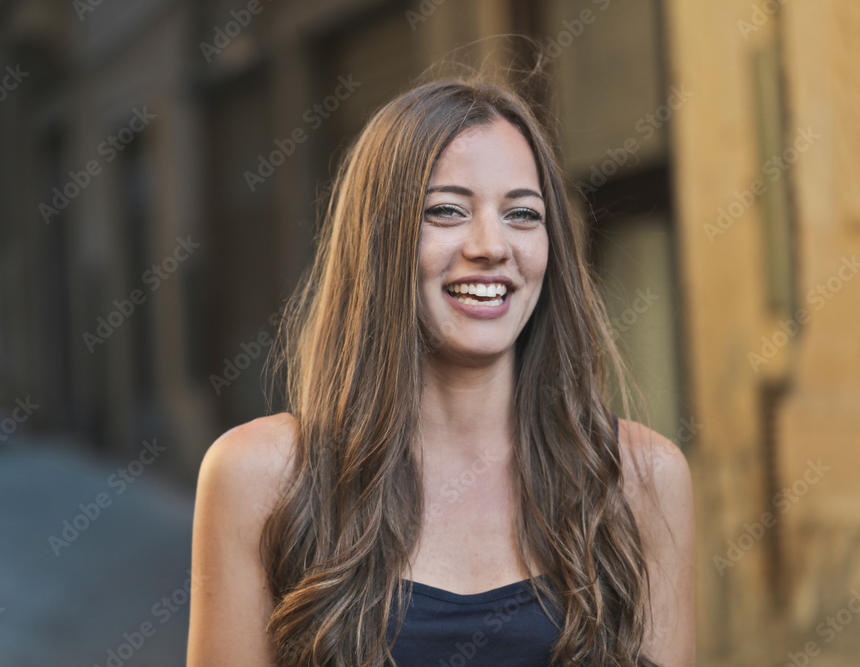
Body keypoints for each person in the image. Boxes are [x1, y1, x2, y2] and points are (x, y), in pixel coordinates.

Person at [186, 72, 695, 666]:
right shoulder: (260, 475)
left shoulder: (642, 477)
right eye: (448, 210)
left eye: (523, 215)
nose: (491, 245)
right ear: (381, 241)